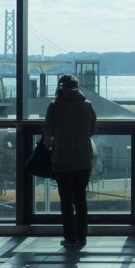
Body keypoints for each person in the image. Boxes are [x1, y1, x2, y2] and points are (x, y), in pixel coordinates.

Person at [43, 74, 97, 248]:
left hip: (62, 160)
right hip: (83, 159)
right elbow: (91, 131)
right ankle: (82, 236)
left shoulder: (54, 106)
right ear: (77, 87)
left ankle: (70, 238)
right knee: (80, 198)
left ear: (60, 87)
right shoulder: (87, 105)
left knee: (66, 200)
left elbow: (48, 133)